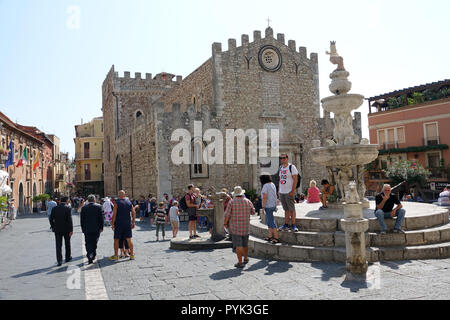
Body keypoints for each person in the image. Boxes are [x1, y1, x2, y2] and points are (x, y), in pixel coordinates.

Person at [224, 186, 256, 268]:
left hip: (235, 227)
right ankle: (245, 258)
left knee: (238, 245)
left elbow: (227, 215)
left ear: (235, 194)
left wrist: (225, 223)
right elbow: (253, 212)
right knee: (245, 244)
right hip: (245, 226)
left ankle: (240, 262)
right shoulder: (247, 201)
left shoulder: (231, 202)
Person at [109, 190, 136, 261]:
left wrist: (112, 224)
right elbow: (133, 213)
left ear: (118, 195)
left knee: (116, 239)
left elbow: (114, 215)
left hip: (119, 223)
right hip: (127, 223)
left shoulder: (116, 203)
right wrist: (133, 222)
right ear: (124, 195)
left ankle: (116, 255)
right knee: (129, 239)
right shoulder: (129, 202)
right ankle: (132, 255)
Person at [278, 153, 299, 232]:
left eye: (284, 158)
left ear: (287, 158)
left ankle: (293, 225)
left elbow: (295, 180)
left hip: (289, 192)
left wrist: (292, 191)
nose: (283, 159)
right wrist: (279, 190)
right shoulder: (281, 168)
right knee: (286, 209)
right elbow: (280, 180)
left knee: (292, 209)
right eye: (281, 158)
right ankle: (286, 224)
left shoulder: (292, 167)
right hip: (282, 192)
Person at [80, 194, 104, 264]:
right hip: (96, 228)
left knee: (88, 242)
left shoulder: (84, 208)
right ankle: (92, 254)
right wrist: (101, 227)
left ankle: (90, 255)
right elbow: (101, 218)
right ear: (94, 200)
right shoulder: (99, 207)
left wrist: (82, 228)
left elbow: (82, 220)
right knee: (94, 242)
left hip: (87, 228)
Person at [49, 196, 73, 266]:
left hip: (57, 229)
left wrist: (53, 226)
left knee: (58, 245)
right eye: (68, 200)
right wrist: (71, 230)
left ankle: (59, 260)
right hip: (66, 229)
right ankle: (67, 257)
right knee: (67, 244)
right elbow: (70, 221)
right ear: (66, 201)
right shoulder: (68, 208)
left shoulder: (55, 208)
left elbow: (51, 219)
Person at [260, 175, 279, 244]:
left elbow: (264, 197)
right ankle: (270, 236)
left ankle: (276, 237)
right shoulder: (272, 184)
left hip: (268, 205)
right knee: (269, 221)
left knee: (271, 221)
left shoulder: (265, 186)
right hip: (273, 204)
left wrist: (263, 207)